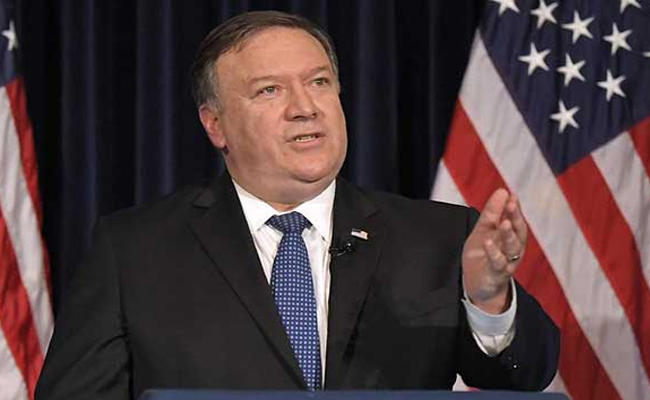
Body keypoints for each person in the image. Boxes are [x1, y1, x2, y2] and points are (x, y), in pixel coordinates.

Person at [35, 10, 559, 399]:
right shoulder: (134, 251)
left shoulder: (441, 238)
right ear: (215, 124)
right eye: (269, 91)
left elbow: (525, 377)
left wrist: (488, 300)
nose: (305, 107)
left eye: (319, 82)